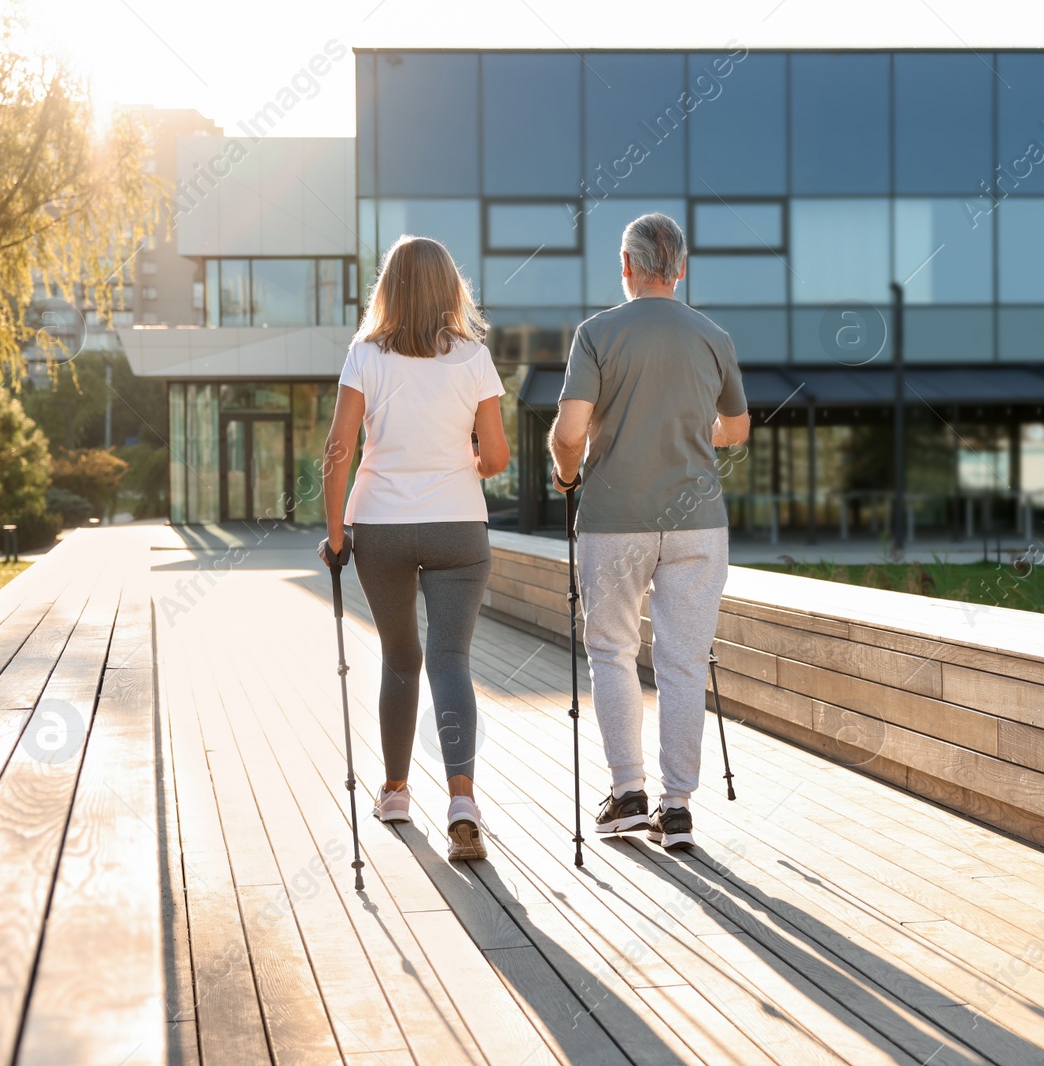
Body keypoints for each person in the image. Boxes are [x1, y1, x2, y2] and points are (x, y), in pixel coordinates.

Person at [548, 212, 749, 851]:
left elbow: (570, 431)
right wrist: (692, 434)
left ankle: (628, 794)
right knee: (684, 660)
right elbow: (737, 430)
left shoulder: (596, 334)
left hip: (615, 521)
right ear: (681, 267)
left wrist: (567, 472)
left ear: (628, 267)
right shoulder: (713, 335)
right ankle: (679, 807)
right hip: (698, 524)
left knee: (611, 651)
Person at [320, 234, 509, 863]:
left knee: (402, 658)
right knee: (450, 660)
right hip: (459, 525)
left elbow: (339, 450)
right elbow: (498, 457)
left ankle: (396, 792)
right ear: (451, 288)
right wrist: (463, 465)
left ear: (388, 288)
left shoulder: (365, 355)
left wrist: (338, 532)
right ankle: (462, 802)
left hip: (381, 527)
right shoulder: (475, 358)